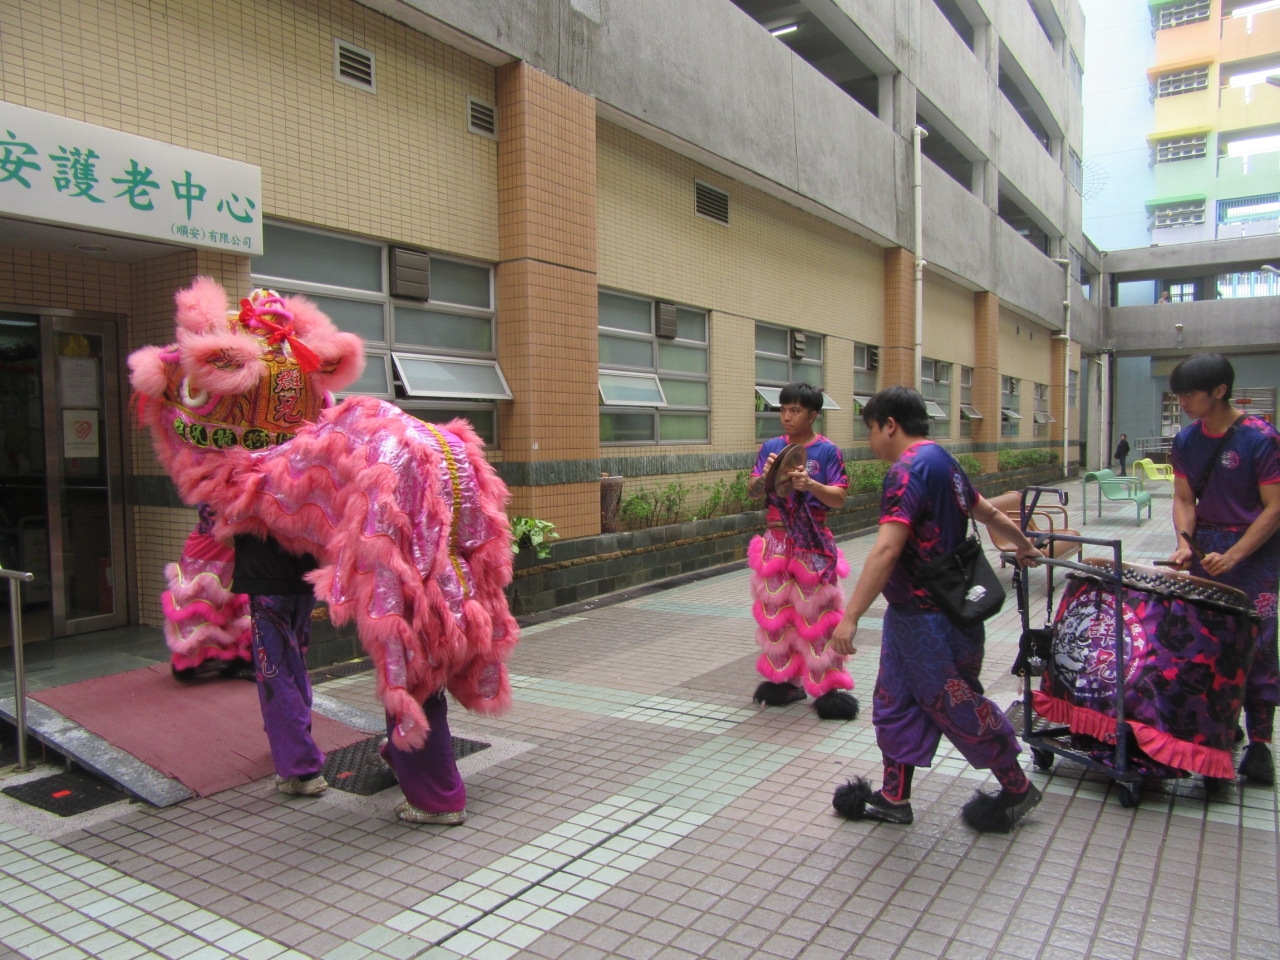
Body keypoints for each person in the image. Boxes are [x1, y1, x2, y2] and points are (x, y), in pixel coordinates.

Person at [828, 387, 1044, 832]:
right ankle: (894, 798)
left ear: (890, 425)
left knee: (958, 705)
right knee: (893, 702)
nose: (870, 440)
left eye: (870, 429)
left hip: (929, 622)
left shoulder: (905, 472)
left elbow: (887, 549)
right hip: (922, 617)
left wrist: (850, 617)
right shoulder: (945, 461)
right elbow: (987, 512)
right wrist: (1023, 545)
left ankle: (1017, 787)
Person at [1167, 354, 1280, 785]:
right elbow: (1184, 499)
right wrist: (1184, 543)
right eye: (1178, 394)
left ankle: (1260, 744)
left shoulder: (1262, 439)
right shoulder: (1186, 440)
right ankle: (1218, 728)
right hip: (1205, 549)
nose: (1182, 401)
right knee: (1205, 642)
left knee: (1257, 644)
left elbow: (1275, 509)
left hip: (1255, 555)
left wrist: (1235, 555)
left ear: (1219, 391)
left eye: (1189, 394)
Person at [747, 381, 859, 719]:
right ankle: (784, 682)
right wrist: (765, 478)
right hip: (776, 540)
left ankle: (827, 688)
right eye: (783, 410)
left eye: (794, 410)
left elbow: (839, 497)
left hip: (812, 542)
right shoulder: (770, 447)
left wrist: (810, 484)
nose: (787, 416)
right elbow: (752, 490)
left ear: (813, 415)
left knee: (817, 615)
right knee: (775, 614)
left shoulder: (827, 451)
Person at [232, 532, 328, 797]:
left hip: (267, 571)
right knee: (295, 661)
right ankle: (294, 743)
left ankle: (301, 767)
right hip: (306, 567)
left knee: (275, 671)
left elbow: (214, 519)